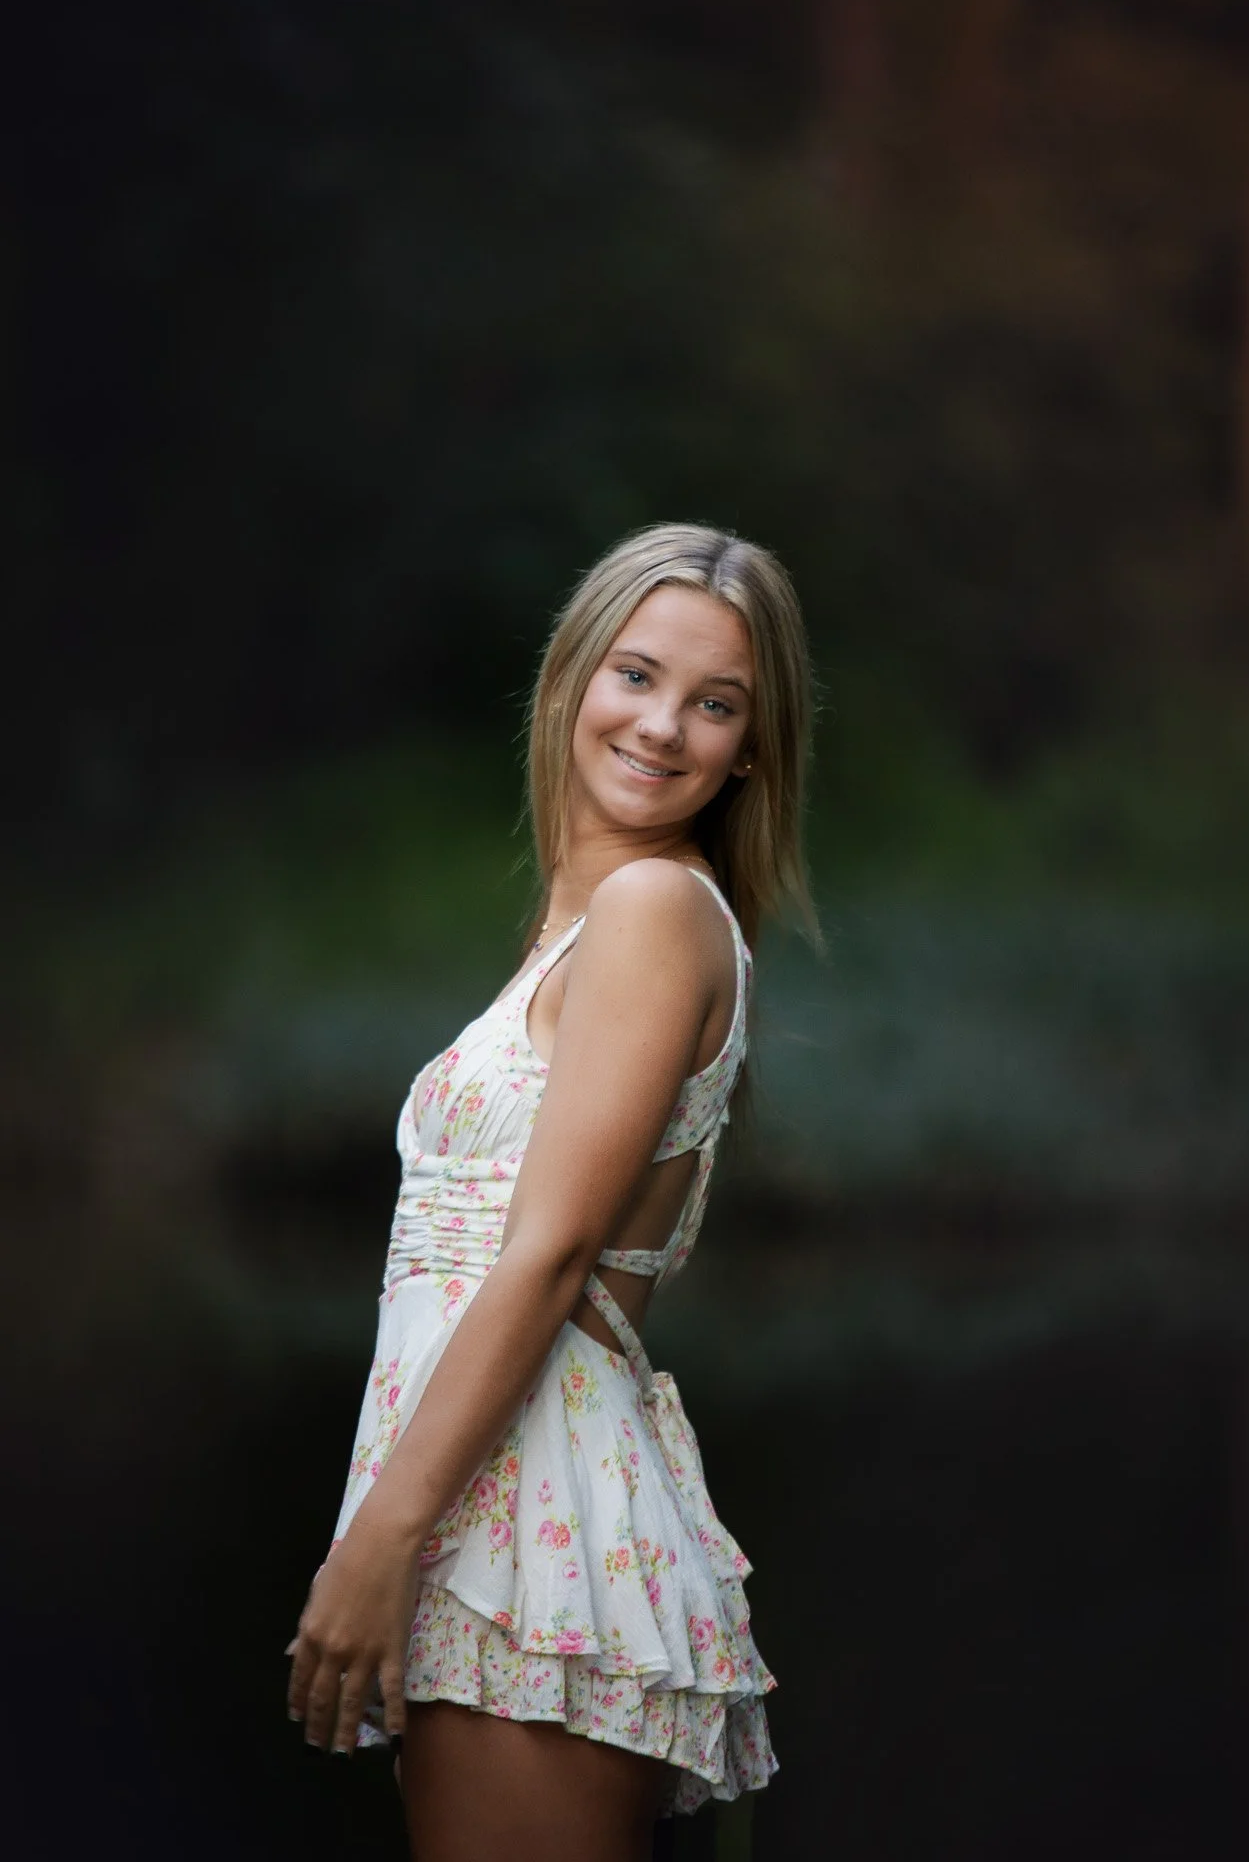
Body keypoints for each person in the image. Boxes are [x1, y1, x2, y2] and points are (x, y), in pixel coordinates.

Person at [286, 522, 816, 1861]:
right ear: (573, 675)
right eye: (637, 675)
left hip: (535, 1519)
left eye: (715, 703)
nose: (663, 725)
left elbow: (552, 1251)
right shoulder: (585, 928)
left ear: (751, 751)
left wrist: (382, 1538)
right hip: (489, 1500)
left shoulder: (653, 912)